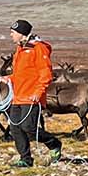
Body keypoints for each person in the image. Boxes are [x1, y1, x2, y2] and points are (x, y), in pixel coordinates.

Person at [5, 19, 62, 167]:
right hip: (18, 96)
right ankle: (25, 159)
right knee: (15, 128)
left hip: (32, 97)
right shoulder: (20, 49)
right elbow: (22, 74)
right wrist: (9, 79)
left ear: (21, 33)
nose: (10, 35)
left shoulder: (38, 48)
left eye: (13, 33)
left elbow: (46, 74)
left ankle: (54, 144)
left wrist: (39, 92)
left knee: (28, 128)